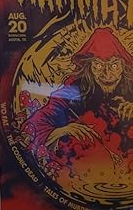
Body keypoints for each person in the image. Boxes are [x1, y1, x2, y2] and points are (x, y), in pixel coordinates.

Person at [24, 28, 133, 158]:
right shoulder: (73, 90)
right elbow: (34, 126)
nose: (107, 74)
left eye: (114, 66)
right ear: (89, 66)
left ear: (124, 65)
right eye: (98, 66)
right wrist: (62, 130)